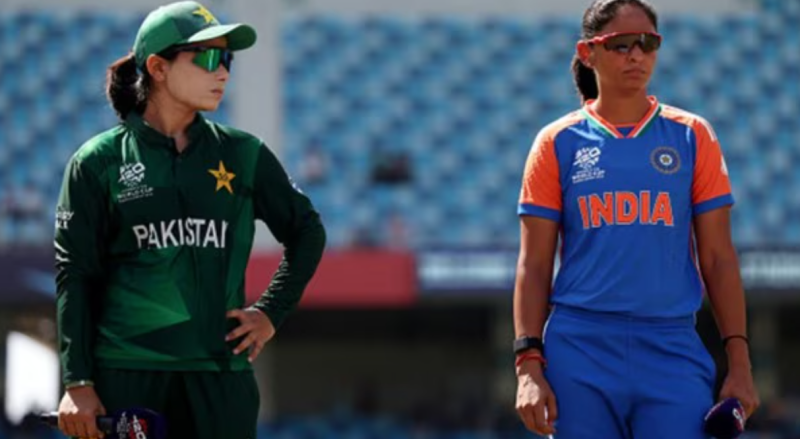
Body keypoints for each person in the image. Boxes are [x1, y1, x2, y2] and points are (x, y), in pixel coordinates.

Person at [54, 2, 326, 438]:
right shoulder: (96, 162)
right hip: (126, 375)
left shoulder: (244, 154)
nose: (224, 72)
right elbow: (76, 275)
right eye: (209, 57)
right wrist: (78, 382)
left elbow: (307, 231)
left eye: (228, 59)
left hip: (221, 379)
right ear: (158, 68)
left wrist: (270, 312)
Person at [512, 1, 759, 438]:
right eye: (621, 44)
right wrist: (528, 365)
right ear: (588, 52)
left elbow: (718, 258)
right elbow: (533, 264)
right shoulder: (556, 141)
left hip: (671, 346)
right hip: (580, 347)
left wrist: (740, 363)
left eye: (647, 43)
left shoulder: (692, 135)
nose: (637, 55)